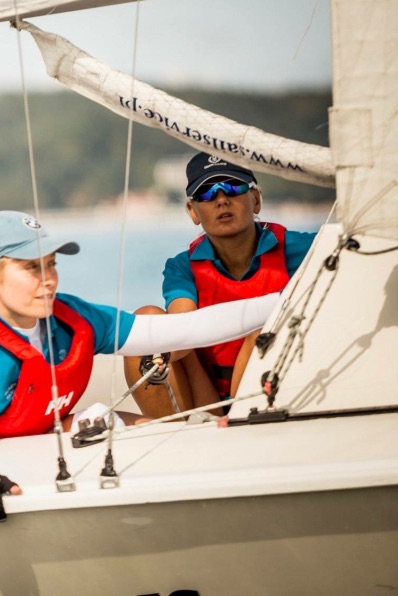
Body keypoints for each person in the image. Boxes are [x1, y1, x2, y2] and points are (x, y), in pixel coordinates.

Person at [0, 210, 281, 524]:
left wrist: (281, 300)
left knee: (164, 435)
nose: (49, 279)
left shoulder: (72, 319)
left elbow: (183, 329)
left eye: (52, 264)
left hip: (45, 436)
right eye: (32, 268)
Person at [124, 153, 316, 417]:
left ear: (256, 199)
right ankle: (175, 431)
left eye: (233, 187)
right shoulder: (182, 267)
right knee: (146, 321)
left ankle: (242, 418)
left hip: (277, 387)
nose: (221, 199)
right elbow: (182, 329)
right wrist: (154, 350)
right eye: (206, 193)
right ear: (192, 211)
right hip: (206, 397)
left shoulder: (307, 248)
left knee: (266, 327)